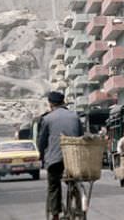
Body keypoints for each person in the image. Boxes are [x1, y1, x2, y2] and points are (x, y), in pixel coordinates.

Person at [38, 91, 82, 220]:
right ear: (63, 102)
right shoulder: (74, 116)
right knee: (72, 180)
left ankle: (55, 215)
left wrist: (40, 155)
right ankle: (75, 198)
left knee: (54, 186)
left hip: (55, 158)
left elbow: (42, 141)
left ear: (51, 104)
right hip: (74, 158)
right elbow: (80, 136)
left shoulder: (47, 119)